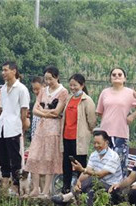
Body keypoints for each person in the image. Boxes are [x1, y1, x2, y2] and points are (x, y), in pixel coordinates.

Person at [52, 129, 123, 206]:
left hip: (112, 188)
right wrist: (79, 181)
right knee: (90, 191)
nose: (96, 145)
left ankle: (69, 196)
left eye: (98, 143)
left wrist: (82, 170)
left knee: (92, 179)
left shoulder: (113, 156)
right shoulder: (94, 155)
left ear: (106, 142)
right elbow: (87, 170)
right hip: (97, 186)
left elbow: (99, 175)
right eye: (94, 143)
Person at [25, 66, 68, 198]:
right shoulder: (43, 91)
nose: (48, 81)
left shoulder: (63, 92)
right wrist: (48, 113)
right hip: (41, 127)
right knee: (34, 156)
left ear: (57, 77)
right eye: (46, 79)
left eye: (51, 79)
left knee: (49, 158)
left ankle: (46, 190)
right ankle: (36, 188)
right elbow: (35, 110)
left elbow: (57, 111)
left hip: (54, 129)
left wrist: (43, 112)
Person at [0, 61, 30, 195]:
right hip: (2, 126)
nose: (3, 73)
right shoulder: (3, 89)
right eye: (2, 70)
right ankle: (5, 182)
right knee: (3, 157)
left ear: (14, 71)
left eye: (6, 70)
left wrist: (21, 126)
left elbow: (24, 110)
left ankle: (16, 185)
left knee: (15, 158)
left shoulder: (21, 89)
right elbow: (2, 108)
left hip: (14, 127)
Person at [96, 67, 136, 175]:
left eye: (120, 74)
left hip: (121, 134)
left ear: (125, 78)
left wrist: (132, 116)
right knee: (103, 163)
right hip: (105, 134)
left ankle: (119, 186)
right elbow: (100, 112)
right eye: (114, 74)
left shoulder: (130, 93)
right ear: (110, 78)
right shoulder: (105, 92)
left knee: (119, 164)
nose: (117, 76)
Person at [60, 73, 96, 194]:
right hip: (66, 136)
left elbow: (92, 121)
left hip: (79, 137)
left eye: (75, 85)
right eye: (71, 85)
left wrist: (87, 132)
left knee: (80, 163)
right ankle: (65, 188)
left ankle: (81, 189)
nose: (73, 88)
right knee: (66, 163)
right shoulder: (69, 98)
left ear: (82, 85)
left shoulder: (87, 100)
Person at [29, 76, 44, 141]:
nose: (35, 92)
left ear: (43, 86)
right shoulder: (36, 102)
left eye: (38, 89)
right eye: (34, 89)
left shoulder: (46, 102)